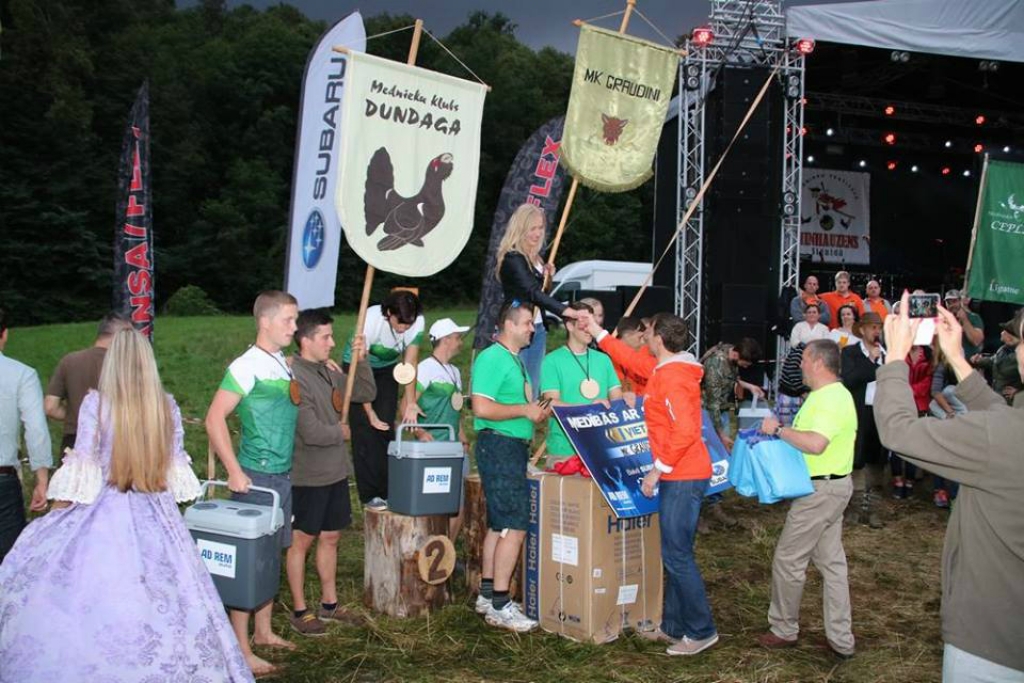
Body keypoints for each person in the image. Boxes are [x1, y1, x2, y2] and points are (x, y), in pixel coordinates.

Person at [0, 328, 254, 682]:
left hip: (102, 510)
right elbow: (175, 471)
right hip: (158, 513)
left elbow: (83, 466)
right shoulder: (166, 405)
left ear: (113, 362)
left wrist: (56, 511)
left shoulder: (96, 403)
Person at [875, 293, 1024, 681]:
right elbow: (999, 417)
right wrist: (957, 358)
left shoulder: (1002, 436)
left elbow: (898, 430)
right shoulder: (1008, 428)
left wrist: (895, 359)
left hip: (992, 644)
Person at [205, 290, 300, 677]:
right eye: (289, 320)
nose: (294, 327)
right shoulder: (246, 366)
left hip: (282, 475)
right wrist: (233, 469)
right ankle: (240, 648)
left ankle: (263, 631)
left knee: (270, 554)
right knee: (249, 561)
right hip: (256, 477)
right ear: (266, 321)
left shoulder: (279, 362)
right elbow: (214, 418)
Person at [757, 339, 857, 660]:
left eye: (802, 360)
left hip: (820, 493)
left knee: (788, 560)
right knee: (832, 563)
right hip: (831, 488)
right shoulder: (829, 396)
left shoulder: (830, 398)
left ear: (816, 362)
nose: (798, 365)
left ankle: (784, 628)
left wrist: (777, 431)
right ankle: (841, 639)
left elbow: (816, 444)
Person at [286, 309, 375, 637]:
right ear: (305, 340)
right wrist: (342, 433)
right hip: (308, 475)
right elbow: (309, 431)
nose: (332, 342)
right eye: (325, 337)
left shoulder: (327, 371)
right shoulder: (294, 376)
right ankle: (299, 610)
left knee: (331, 537)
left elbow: (366, 393)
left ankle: (329, 604)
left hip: (335, 471)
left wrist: (359, 360)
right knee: (301, 541)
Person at [637, 315, 718, 656]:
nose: (645, 334)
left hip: (683, 475)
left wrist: (657, 471)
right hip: (681, 473)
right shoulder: (669, 371)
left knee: (678, 555)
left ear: (659, 338)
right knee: (675, 552)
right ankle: (673, 626)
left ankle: (702, 630)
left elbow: (685, 430)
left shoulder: (672, 378)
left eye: (649, 330)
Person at [470, 302, 550, 632]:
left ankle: (488, 596)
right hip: (499, 445)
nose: (533, 328)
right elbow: (481, 406)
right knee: (515, 526)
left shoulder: (512, 359)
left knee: (499, 525)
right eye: (528, 323)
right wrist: (523, 411)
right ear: (509, 324)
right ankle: (501, 605)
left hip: (508, 447)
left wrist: (532, 412)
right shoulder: (492, 357)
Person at [342, 289, 425, 510]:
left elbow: (409, 364)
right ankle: (369, 495)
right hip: (358, 368)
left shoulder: (416, 321)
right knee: (366, 430)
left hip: (388, 369)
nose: (404, 328)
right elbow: (361, 368)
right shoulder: (370, 320)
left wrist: (410, 402)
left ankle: (387, 490)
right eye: (400, 323)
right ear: (389, 313)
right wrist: (370, 412)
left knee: (385, 428)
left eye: (409, 324)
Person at [494, 203, 579, 395]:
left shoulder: (536, 258)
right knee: (517, 382)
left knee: (533, 382)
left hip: (537, 327)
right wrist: (565, 311)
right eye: (532, 228)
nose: (537, 233)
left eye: (540, 228)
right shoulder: (513, 258)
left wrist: (547, 277)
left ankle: (527, 421)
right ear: (521, 228)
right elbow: (532, 292)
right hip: (516, 327)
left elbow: (541, 292)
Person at [540, 301, 622, 465]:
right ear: (570, 325)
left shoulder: (604, 359)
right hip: (564, 452)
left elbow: (617, 401)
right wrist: (589, 409)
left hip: (602, 448)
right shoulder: (552, 361)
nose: (590, 329)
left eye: (593, 324)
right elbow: (551, 403)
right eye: (585, 324)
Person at [412, 317, 472, 538]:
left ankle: (446, 553)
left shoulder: (455, 372)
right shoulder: (425, 369)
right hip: (433, 448)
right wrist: (420, 432)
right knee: (434, 505)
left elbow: (456, 410)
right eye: (457, 338)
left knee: (459, 505)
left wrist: (463, 436)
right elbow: (406, 406)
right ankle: (427, 552)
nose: (460, 342)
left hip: (456, 447)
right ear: (445, 340)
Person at [0, 307, 51, 561]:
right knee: (7, 565)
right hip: (2, 482)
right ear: (5, 335)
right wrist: (41, 478)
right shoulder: (22, 374)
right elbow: (36, 429)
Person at [44, 312, 132, 451]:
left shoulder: (69, 361)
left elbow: (50, 407)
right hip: (115, 444)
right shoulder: (126, 366)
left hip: (74, 442)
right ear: (121, 336)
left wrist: (78, 414)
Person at [840, 311, 888, 528]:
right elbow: (850, 379)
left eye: (879, 327)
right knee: (856, 459)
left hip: (879, 412)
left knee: (876, 459)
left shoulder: (887, 355)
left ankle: (873, 509)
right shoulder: (850, 352)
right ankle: (855, 507)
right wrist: (872, 361)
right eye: (872, 327)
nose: (876, 331)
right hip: (856, 411)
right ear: (862, 329)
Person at [700, 338, 764, 451]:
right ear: (736, 355)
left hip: (721, 410)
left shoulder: (731, 350)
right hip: (706, 414)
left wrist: (750, 386)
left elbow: (731, 378)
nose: (745, 367)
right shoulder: (715, 365)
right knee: (715, 453)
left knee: (725, 450)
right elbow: (712, 404)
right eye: (744, 363)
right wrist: (722, 436)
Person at [890, 345, 932, 499]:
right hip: (900, 406)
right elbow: (895, 381)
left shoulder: (928, 359)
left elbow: (925, 386)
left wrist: (906, 389)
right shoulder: (901, 357)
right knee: (896, 445)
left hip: (919, 408)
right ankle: (898, 480)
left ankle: (910, 481)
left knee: (912, 446)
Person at [970, 316, 1022, 405]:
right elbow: (993, 361)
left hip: (1013, 403)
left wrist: (1018, 392)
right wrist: (978, 360)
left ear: (1010, 336)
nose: (1001, 333)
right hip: (998, 397)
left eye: (1004, 331)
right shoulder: (1003, 349)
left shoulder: (1020, 354)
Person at [943, 290, 985, 360]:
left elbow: (976, 341)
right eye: (948, 302)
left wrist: (964, 319)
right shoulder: (943, 319)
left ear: (960, 301)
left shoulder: (973, 317)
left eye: (954, 301)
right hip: (948, 362)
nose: (952, 305)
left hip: (968, 362)